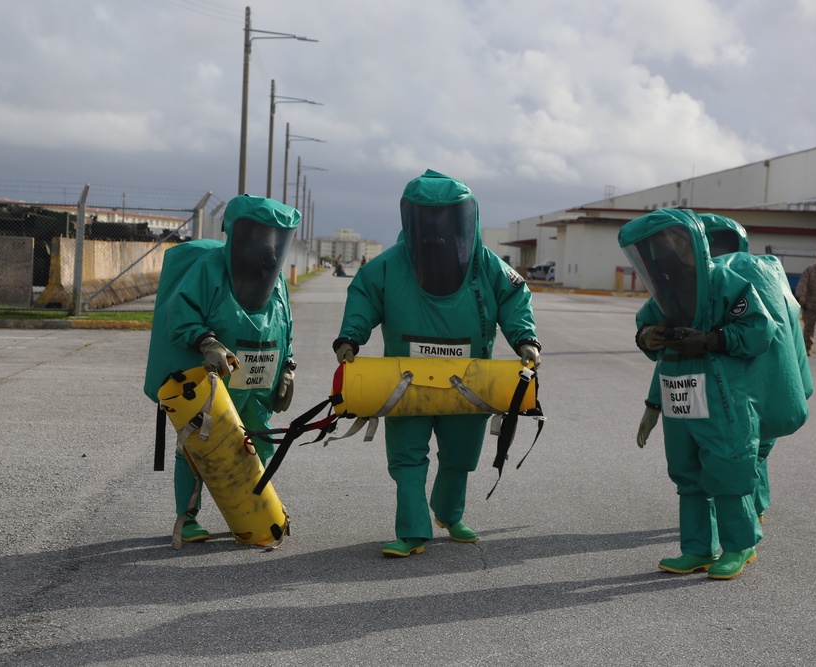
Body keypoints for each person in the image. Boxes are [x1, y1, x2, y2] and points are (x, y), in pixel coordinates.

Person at [333, 169, 541, 558]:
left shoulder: (488, 265)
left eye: (447, 221)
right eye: (428, 221)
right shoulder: (388, 265)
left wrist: (525, 339)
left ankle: (449, 513)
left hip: (468, 381)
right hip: (405, 381)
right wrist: (350, 337)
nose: (437, 231)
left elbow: (516, 299)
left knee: (461, 454)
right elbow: (363, 296)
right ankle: (412, 530)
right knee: (407, 456)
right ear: (411, 219)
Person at [621, 208, 777, 580]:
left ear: (693, 239)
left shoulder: (726, 282)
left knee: (728, 469)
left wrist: (713, 339)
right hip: (680, 394)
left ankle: (739, 546)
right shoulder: (666, 289)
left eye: (675, 239)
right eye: (663, 243)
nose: (669, 248)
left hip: (722, 395)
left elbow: (760, 330)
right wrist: (647, 339)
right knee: (687, 475)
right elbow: (647, 327)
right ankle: (696, 550)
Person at [635, 213, 812, 529]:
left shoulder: (747, 280)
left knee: (741, 460)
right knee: (737, 459)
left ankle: (742, 528)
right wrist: (654, 400)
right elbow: (673, 358)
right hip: (736, 397)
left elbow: (776, 341)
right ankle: (733, 522)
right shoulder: (692, 290)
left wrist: (713, 340)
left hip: (748, 395)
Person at [149, 194, 300, 543]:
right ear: (241, 234)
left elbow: (284, 325)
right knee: (198, 446)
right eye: (262, 235)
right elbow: (181, 312)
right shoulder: (210, 268)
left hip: (258, 383)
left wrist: (288, 366)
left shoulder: (274, 278)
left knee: (259, 444)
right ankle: (186, 518)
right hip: (215, 380)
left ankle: (254, 512)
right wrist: (206, 341)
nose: (270, 246)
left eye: (276, 237)